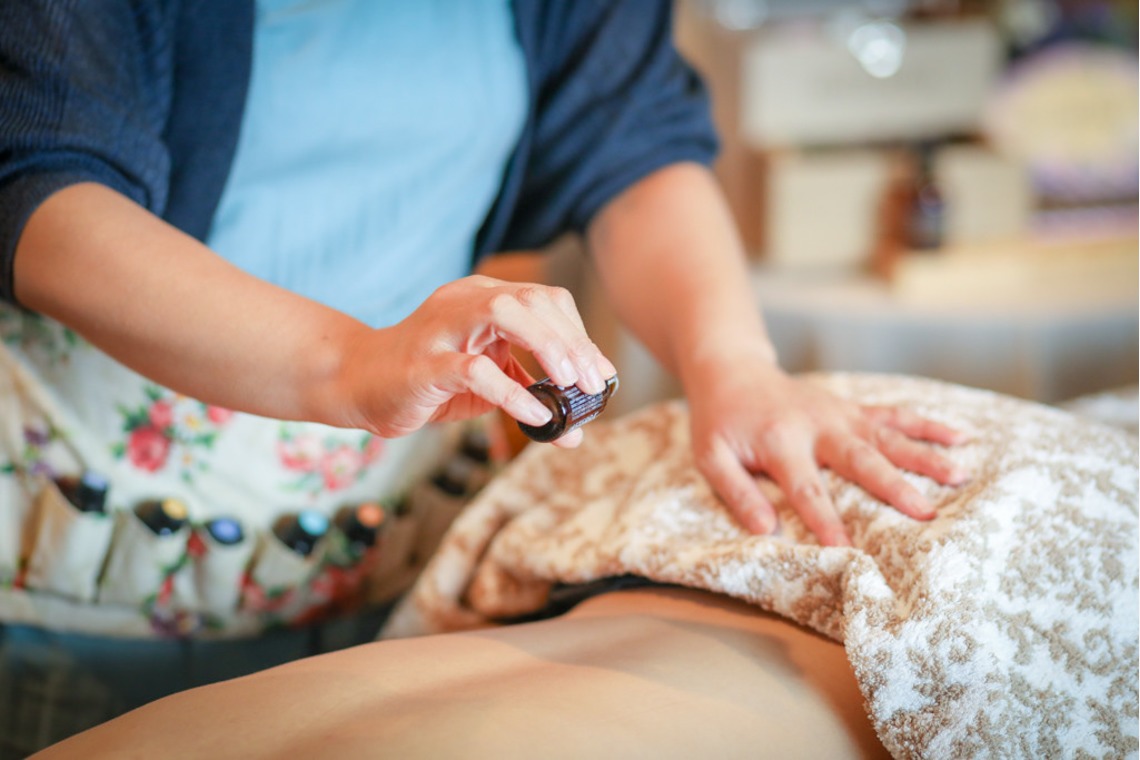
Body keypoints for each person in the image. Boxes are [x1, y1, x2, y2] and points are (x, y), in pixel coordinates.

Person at [0, 0, 967, 753]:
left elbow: (632, 144)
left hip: (407, 553)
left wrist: (737, 365)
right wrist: (353, 362)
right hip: (93, 558)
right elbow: (43, 193)